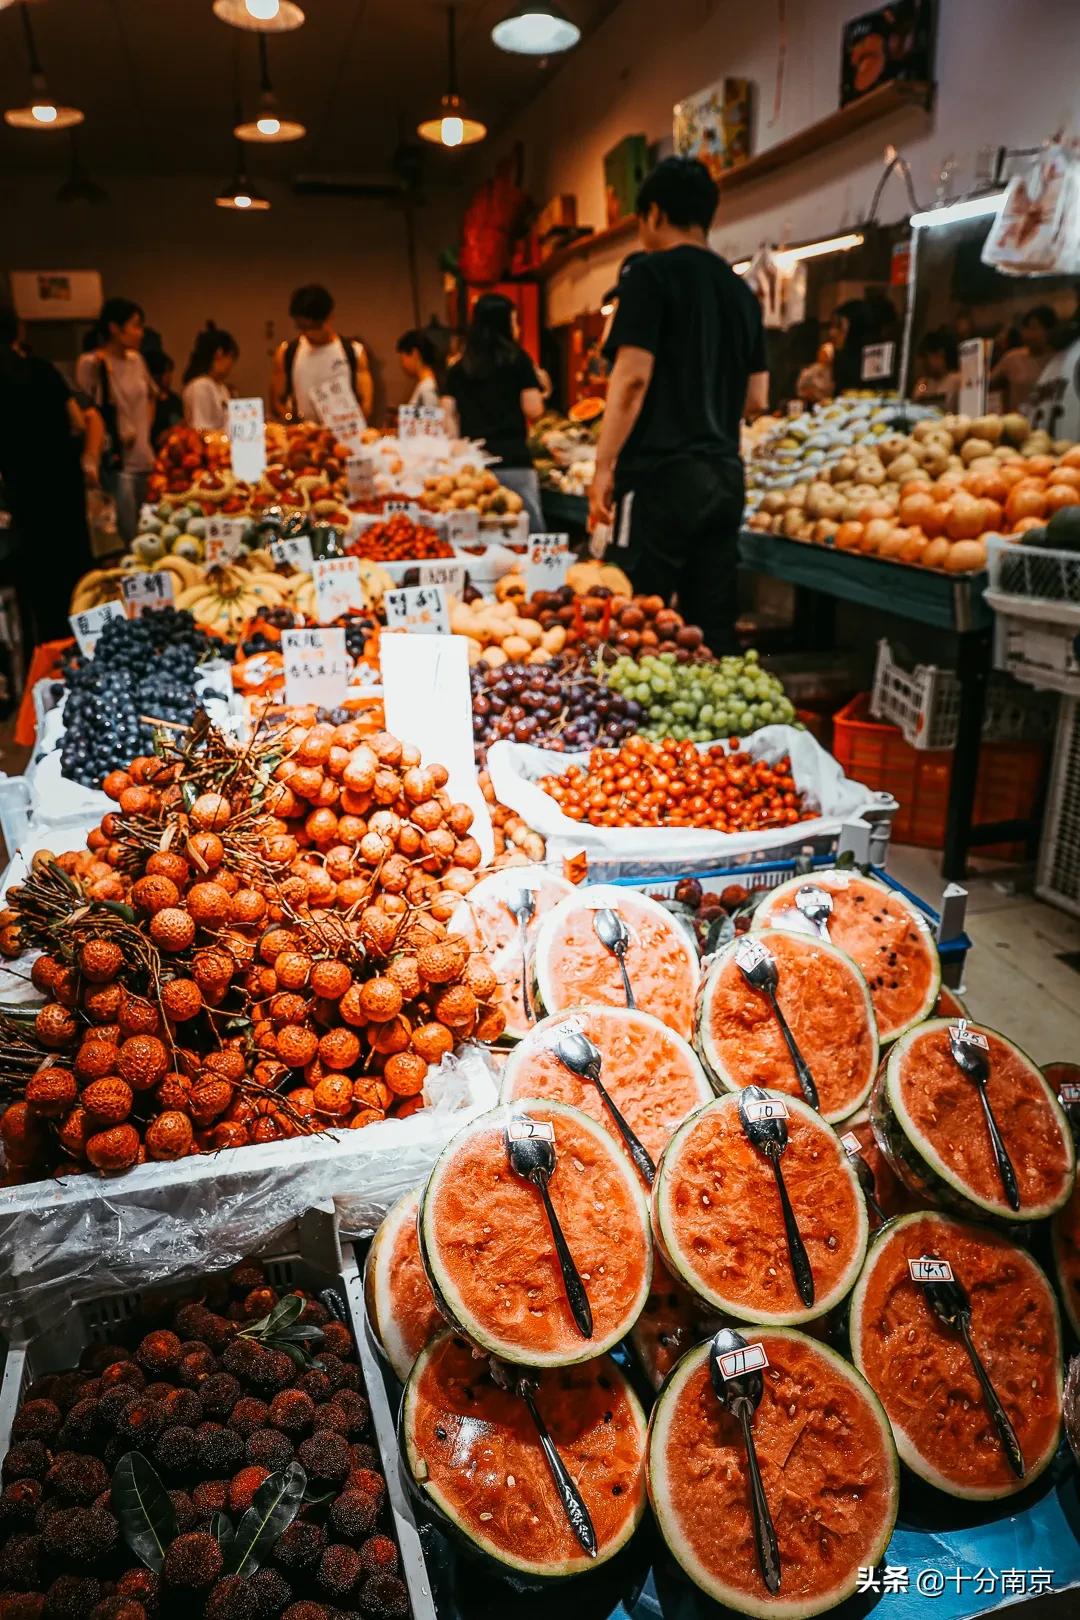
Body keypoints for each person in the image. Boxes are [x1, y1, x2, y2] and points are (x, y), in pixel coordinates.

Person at [589, 156, 767, 655]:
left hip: (658, 479)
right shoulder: (741, 292)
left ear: (655, 214)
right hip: (724, 479)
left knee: (635, 621)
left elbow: (631, 380)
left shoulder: (648, 275)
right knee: (710, 629)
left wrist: (603, 467)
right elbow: (757, 399)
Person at [0, 307, 99, 644]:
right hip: (62, 484)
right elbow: (79, 421)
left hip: (24, 493)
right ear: (18, 331)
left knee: (40, 591)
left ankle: (51, 655)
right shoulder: (42, 369)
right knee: (78, 577)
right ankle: (92, 646)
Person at [442, 294, 546, 531]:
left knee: (479, 534)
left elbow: (447, 417)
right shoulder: (519, 360)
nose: (518, 328)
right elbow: (534, 409)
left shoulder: (458, 368)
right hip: (513, 460)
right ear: (504, 323)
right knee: (525, 531)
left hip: (474, 466)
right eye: (514, 321)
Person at [75, 297, 155, 541]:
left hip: (144, 455)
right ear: (114, 328)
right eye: (135, 326)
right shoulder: (91, 363)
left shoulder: (137, 360)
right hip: (116, 460)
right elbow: (86, 411)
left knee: (149, 528)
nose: (140, 332)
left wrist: (144, 429)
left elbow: (151, 396)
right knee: (126, 532)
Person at [270, 284, 373, 424]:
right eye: (302, 327)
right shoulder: (287, 352)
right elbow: (277, 401)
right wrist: (290, 419)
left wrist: (349, 425)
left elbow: (366, 404)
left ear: (330, 317)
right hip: (302, 430)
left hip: (341, 430)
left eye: (315, 326)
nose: (309, 332)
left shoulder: (354, 352)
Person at [989, 305, 1059, 411]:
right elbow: (987, 383)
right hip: (1018, 419)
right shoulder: (1012, 358)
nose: (1028, 334)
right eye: (1026, 328)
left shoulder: (1060, 359)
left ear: (1049, 331)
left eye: (1034, 328)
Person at [182, 326, 238, 432]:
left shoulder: (221, 387)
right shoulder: (200, 386)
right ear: (219, 353)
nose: (231, 365)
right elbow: (201, 429)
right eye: (230, 357)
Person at [913, 328, 961, 410]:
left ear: (939, 354)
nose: (924, 366)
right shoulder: (923, 383)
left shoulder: (957, 380)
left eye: (926, 359)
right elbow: (914, 407)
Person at [395, 329, 440, 409]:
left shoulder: (427, 387)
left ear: (415, 354)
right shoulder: (427, 385)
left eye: (402, 359)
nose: (402, 365)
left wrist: (404, 415)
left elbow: (433, 414)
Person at [147, 351, 183, 444]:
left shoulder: (175, 400)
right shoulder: (149, 402)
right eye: (165, 372)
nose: (169, 376)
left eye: (170, 372)